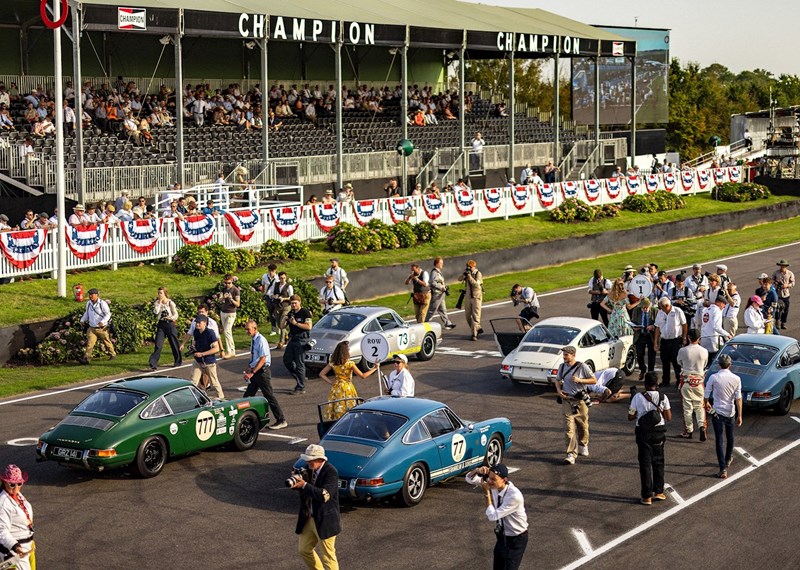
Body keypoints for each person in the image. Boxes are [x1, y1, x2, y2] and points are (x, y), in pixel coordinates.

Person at [464, 463, 528, 569]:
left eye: (493, 479)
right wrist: (477, 470)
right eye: (489, 478)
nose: (489, 481)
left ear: (504, 480)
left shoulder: (514, 496)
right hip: (502, 537)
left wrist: (487, 493)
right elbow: (469, 479)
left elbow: (493, 516)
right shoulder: (494, 485)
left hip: (516, 539)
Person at [291, 444, 341, 570]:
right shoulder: (308, 470)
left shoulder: (331, 472)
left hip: (325, 521)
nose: (308, 462)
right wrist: (297, 485)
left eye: (310, 460)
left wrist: (304, 485)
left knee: (328, 557)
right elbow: (306, 491)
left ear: (320, 459)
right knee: (304, 550)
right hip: (309, 518)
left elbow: (324, 495)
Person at [628, 372, 672, 505]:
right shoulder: (663, 397)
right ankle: (659, 491)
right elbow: (668, 417)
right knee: (658, 462)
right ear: (656, 383)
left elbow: (630, 416)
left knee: (645, 464)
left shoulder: (637, 397)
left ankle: (646, 495)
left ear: (645, 384)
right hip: (659, 432)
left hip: (643, 433)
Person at [555, 346, 596, 465]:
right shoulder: (562, 367)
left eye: (566, 355)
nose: (564, 357)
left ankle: (583, 443)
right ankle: (571, 454)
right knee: (569, 428)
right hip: (567, 401)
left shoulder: (582, 366)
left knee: (582, 425)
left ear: (573, 355)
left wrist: (580, 380)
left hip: (580, 402)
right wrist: (559, 390)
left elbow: (594, 380)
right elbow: (557, 380)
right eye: (563, 354)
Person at [704, 354, 743, 479]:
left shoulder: (714, 377)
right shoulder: (736, 379)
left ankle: (723, 469)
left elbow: (705, 397)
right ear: (730, 365)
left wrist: (708, 406)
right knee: (730, 437)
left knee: (719, 440)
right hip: (730, 412)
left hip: (717, 412)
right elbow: (738, 399)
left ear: (719, 364)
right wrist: (740, 415)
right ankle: (728, 459)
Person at [243, 320, 287, 429]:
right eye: (246, 329)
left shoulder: (261, 340)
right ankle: (246, 420)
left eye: (248, 329)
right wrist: (249, 367)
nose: (247, 331)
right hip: (256, 371)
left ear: (255, 328)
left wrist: (252, 373)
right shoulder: (254, 339)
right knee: (247, 397)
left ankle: (281, 420)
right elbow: (255, 357)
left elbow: (263, 359)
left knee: (269, 396)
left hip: (261, 372)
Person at [319, 341, 377, 420]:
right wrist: (375, 368)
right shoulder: (350, 364)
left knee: (338, 408)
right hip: (347, 388)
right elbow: (363, 376)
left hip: (337, 388)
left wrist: (331, 382)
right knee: (349, 408)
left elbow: (322, 374)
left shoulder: (333, 363)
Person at [0, 464, 35, 570]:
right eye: (12, 484)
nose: (16, 488)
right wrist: (15, 546)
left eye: (19, 483)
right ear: (5, 482)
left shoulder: (18, 496)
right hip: (14, 552)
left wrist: (30, 540)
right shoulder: (3, 503)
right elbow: (1, 530)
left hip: (26, 547)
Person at [677, 329, 709, 440]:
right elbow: (704, 364)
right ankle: (702, 426)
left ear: (689, 337)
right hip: (699, 382)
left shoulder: (683, 350)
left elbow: (679, 362)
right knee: (700, 406)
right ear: (699, 338)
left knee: (687, 408)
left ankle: (689, 431)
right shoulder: (704, 351)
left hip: (686, 381)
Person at [653, 297, 688, 388]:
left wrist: (684, 338)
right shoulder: (660, 313)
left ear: (667, 306)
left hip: (675, 340)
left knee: (676, 362)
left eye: (662, 307)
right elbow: (657, 327)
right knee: (665, 361)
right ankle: (665, 380)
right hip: (664, 340)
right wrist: (656, 342)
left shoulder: (677, 311)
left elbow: (684, 324)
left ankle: (678, 381)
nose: (661, 309)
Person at [189, 314, 224, 399]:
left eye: (199, 322)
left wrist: (202, 354)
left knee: (214, 383)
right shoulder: (196, 331)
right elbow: (195, 341)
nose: (197, 324)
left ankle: (221, 398)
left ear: (205, 323)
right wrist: (193, 346)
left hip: (209, 362)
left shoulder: (210, 333)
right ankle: (193, 398)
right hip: (198, 361)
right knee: (193, 382)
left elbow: (216, 349)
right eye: (196, 322)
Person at [284, 295, 313, 394]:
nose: (293, 305)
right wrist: (285, 319)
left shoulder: (305, 312)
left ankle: (300, 387)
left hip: (302, 339)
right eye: (292, 303)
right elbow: (282, 326)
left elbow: (309, 327)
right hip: (293, 339)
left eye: (295, 303)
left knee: (299, 363)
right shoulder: (291, 313)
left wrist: (296, 323)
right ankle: (301, 377)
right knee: (287, 360)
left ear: (300, 302)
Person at [79, 287, 116, 364]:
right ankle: (86, 359)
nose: (90, 296)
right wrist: (82, 320)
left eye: (92, 294)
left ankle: (113, 354)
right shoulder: (88, 303)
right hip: (92, 328)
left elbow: (108, 314)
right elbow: (87, 313)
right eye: (90, 294)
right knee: (90, 344)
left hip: (102, 328)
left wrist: (102, 322)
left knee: (107, 342)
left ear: (96, 295)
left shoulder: (102, 304)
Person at [148, 287, 181, 370]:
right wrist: (159, 303)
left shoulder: (170, 303)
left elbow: (176, 315)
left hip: (169, 324)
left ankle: (177, 361)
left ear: (165, 293)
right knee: (158, 344)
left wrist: (170, 318)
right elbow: (155, 312)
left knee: (174, 343)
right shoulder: (157, 302)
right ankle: (153, 362)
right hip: (161, 324)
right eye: (158, 293)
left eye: (161, 293)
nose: (159, 295)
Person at [426, 257, 456, 329]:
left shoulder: (438, 272)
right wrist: (441, 287)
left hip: (441, 294)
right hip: (437, 294)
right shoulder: (434, 272)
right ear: (437, 264)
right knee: (432, 310)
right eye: (441, 263)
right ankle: (425, 323)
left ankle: (447, 323)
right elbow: (432, 283)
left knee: (443, 309)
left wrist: (444, 287)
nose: (442, 264)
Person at [699, 294, 730, 363]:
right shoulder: (717, 311)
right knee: (713, 361)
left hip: (704, 338)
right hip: (713, 339)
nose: (724, 307)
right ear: (719, 303)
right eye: (724, 304)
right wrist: (727, 334)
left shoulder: (706, 310)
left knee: (705, 360)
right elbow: (716, 326)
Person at [459, 260, 484, 341]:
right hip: (468, 297)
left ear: (473, 266)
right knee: (467, 316)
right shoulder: (467, 273)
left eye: (470, 267)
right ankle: (477, 328)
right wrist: (464, 275)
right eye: (467, 267)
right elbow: (459, 279)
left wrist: (470, 278)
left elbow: (477, 285)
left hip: (476, 297)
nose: (468, 268)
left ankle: (474, 335)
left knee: (475, 317)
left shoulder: (478, 274)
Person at [218, 274, 240, 358]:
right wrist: (223, 297)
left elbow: (238, 304)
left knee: (226, 331)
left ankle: (229, 351)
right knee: (228, 331)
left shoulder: (236, 290)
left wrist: (231, 299)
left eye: (229, 283)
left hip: (231, 313)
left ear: (232, 281)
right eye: (225, 283)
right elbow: (219, 300)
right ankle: (233, 350)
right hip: (223, 312)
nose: (227, 285)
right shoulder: (223, 289)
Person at [272, 272, 294, 349]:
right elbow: (271, 293)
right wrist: (275, 296)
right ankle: (286, 334)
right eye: (281, 278)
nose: (282, 279)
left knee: (282, 322)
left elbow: (291, 297)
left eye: (284, 278)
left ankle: (281, 341)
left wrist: (284, 298)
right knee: (279, 323)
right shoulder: (276, 285)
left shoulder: (289, 286)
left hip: (286, 306)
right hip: (278, 306)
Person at [772, 259, 794, 330]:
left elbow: (793, 283)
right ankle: (777, 321)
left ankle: (783, 322)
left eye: (784, 266)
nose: (782, 267)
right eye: (781, 266)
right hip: (777, 293)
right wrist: (776, 283)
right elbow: (772, 280)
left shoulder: (790, 273)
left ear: (786, 266)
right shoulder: (776, 273)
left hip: (786, 294)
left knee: (786, 309)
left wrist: (787, 285)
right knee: (777, 308)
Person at [260, 263, 280, 335]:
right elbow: (263, 285)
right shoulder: (265, 276)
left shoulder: (278, 278)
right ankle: (273, 329)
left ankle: (280, 327)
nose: (271, 272)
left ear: (275, 270)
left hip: (275, 297)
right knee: (271, 313)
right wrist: (263, 293)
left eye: (273, 271)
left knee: (277, 313)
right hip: (268, 296)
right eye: (270, 271)